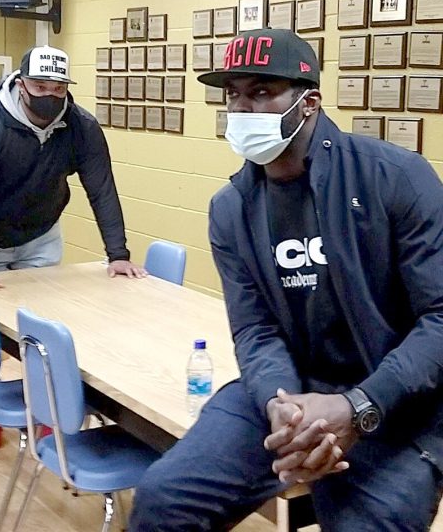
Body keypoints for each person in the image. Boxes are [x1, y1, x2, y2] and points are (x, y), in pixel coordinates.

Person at [130, 28, 443, 531]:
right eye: (233, 94)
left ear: (309, 103)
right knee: (164, 501)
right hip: (288, 391)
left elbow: (440, 319)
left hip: (395, 401)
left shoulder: (396, 178)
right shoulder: (231, 209)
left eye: (261, 92)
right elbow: (255, 329)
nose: (241, 108)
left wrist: (358, 406)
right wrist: (281, 406)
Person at [0, 44, 146, 449]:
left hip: (41, 234)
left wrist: (118, 254)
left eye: (58, 89)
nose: (49, 96)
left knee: (41, 329)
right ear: (21, 85)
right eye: (40, 87)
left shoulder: (81, 127)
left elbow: (102, 188)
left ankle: (46, 410)